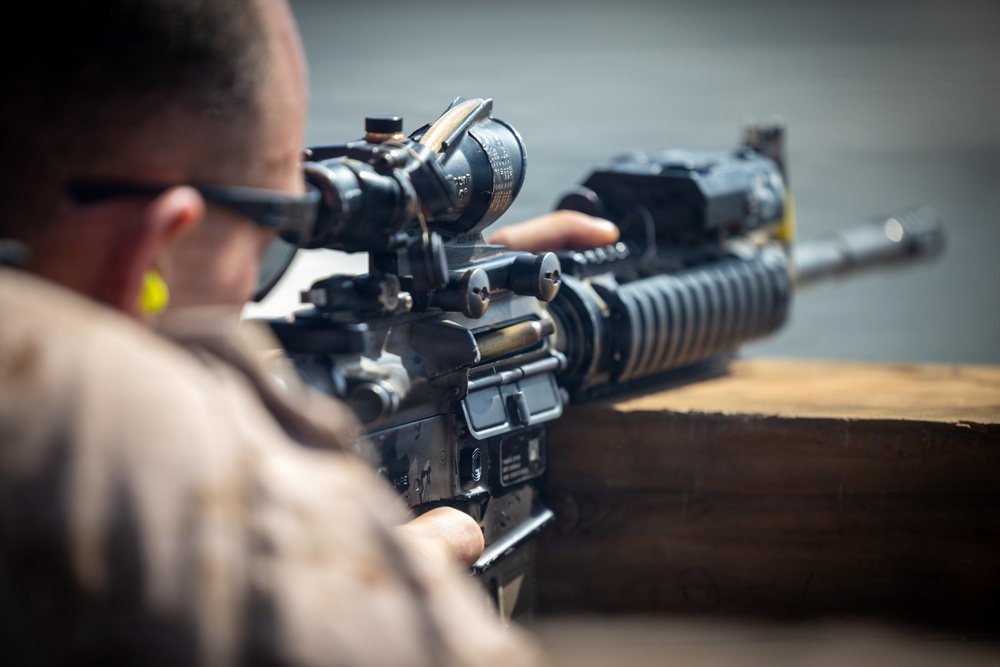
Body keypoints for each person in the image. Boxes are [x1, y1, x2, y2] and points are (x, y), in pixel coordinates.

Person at [0, 1, 618, 665]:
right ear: (149, 255)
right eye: (272, 241)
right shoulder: (109, 448)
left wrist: (458, 300)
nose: (255, 288)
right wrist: (353, 595)